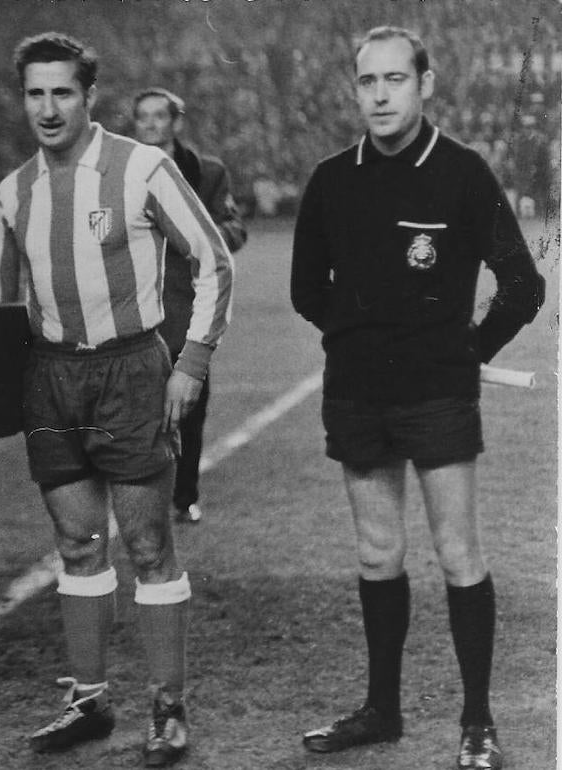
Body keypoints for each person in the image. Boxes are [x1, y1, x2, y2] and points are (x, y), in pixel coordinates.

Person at [290, 26, 545, 770]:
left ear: (425, 85)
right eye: (367, 81)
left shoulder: (463, 173)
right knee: (378, 552)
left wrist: (469, 351)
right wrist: (366, 334)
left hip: (438, 393)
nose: (380, 94)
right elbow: (308, 290)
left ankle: (478, 723)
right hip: (359, 391)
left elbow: (525, 285)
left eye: (395, 80)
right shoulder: (331, 178)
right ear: (355, 89)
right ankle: (383, 709)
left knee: (458, 552)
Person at [0, 33, 232, 767]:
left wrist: (191, 362)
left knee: (150, 544)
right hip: (52, 376)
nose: (49, 108)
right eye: (36, 93)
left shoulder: (141, 167)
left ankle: (167, 707)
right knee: (77, 543)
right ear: (23, 98)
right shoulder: (13, 191)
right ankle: (89, 701)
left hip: (131, 370)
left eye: (63, 92)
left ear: (89, 96)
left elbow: (213, 260)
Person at [133, 86, 248, 524]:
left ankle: (184, 497)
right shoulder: (119, 170)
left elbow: (234, 229)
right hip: (133, 311)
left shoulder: (207, 172)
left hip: (186, 311)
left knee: (189, 412)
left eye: (157, 116)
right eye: (141, 116)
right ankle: (139, 497)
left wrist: (197, 236)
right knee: (133, 414)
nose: (148, 124)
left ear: (175, 122)